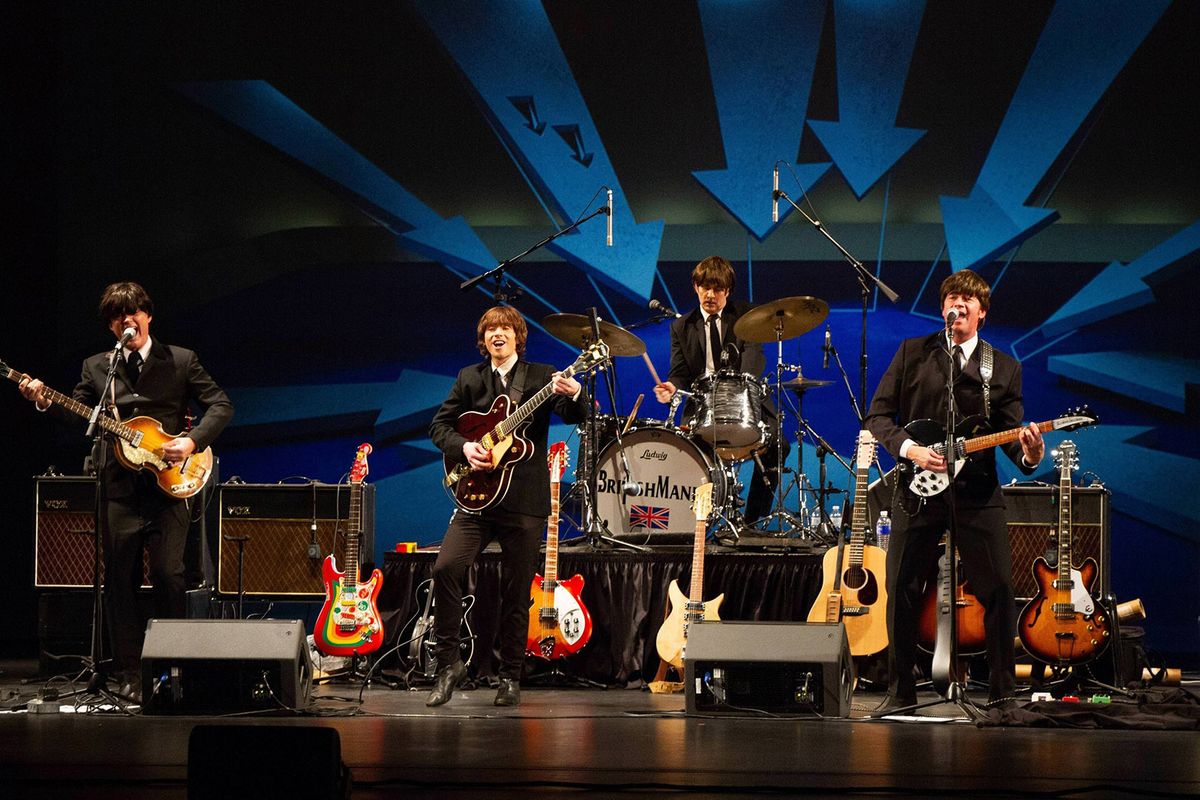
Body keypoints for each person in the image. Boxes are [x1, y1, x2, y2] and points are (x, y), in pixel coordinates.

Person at [18, 282, 233, 702]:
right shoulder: (98, 367)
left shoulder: (181, 359)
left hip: (169, 486)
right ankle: (130, 674)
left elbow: (221, 405)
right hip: (118, 487)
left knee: (169, 574)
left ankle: (175, 668)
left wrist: (191, 442)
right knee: (119, 580)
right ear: (112, 327)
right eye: (118, 316)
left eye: (133, 312)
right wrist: (44, 400)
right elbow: (78, 413)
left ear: (148, 315)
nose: (126, 320)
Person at [865, 269, 1043, 710]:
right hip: (918, 490)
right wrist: (911, 449)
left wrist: (1031, 454)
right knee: (902, 588)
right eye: (951, 298)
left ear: (982, 312)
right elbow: (878, 417)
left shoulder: (1003, 367)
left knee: (998, 589)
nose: (957, 305)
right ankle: (900, 691)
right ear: (942, 308)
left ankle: (1002, 694)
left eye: (967, 300)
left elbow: (1010, 436)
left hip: (977, 491)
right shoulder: (912, 353)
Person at [427, 305, 588, 707]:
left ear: (518, 336)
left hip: (523, 503)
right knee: (445, 568)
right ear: (483, 340)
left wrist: (576, 392)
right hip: (477, 500)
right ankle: (449, 664)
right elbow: (439, 427)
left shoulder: (541, 375)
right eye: (490, 330)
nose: (497, 334)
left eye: (505, 328)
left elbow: (575, 414)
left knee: (517, 592)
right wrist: (465, 447)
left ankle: (510, 677)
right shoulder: (469, 377)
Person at [653, 255, 788, 527]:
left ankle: (751, 522)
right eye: (705, 288)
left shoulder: (746, 316)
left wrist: (736, 388)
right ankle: (692, 524)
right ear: (696, 287)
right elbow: (679, 372)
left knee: (778, 444)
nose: (710, 295)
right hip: (702, 406)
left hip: (744, 399)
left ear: (728, 291)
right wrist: (672, 388)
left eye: (717, 289)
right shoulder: (681, 327)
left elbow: (754, 358)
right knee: (686, 449)